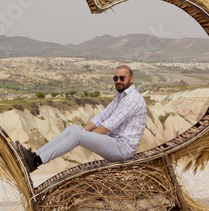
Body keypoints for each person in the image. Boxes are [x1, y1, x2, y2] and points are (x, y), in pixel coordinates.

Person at [16, 65, 147, 172]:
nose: (118, 81)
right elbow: (102, 116)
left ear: (131, 78)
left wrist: (86, 137)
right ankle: (34, 156)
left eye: (122, 78)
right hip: (113, 141)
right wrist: (85, 131)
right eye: (115, 78)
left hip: (122, 148)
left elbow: (109, 125)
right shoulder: (120, 97)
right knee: (73, 129)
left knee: (78, 135)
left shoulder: (133, 99)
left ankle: (36, 162)